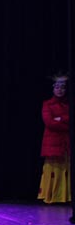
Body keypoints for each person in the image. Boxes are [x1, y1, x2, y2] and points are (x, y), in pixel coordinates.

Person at [38, 74, 70, 204]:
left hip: (66, 142)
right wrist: (65, 122)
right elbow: (50, 123)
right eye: (57, 87)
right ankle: (52, 196)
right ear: (53, 89)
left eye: (62, 87)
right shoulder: (47, 104)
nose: (60, 90)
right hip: (53, 142)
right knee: (54, 169)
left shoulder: (68, 105)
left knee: (66, 168)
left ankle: (66, 197)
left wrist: (60, 119)